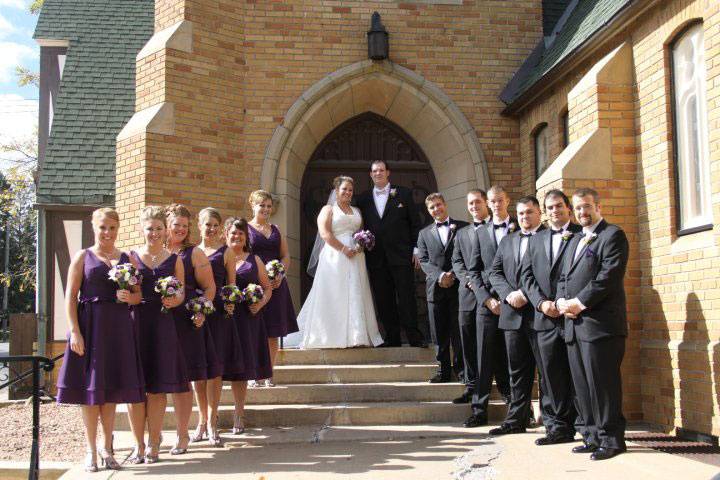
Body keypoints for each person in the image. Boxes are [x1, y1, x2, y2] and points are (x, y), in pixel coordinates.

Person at [56, 208, 145, 472]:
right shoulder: (83, 257)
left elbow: (138, 295)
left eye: (112, 228)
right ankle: (91, 450)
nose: (108, 233)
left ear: (118, 229)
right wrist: (74, 331)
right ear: (94, 227)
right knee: (91, 392)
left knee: (112, 390)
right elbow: (70, 297)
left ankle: (108, 448)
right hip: (90, 326)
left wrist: (131, 298)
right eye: (103, 227)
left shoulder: (127, 258)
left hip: (118, 329)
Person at [556, 188, 629, 461]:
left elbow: (608, 277)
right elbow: (564, 276)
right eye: (578, 208)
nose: (582, 212)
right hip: (575, 325)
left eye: (587, 206)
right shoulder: (575, 238)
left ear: (598, 206)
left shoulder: (613, 236)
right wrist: (562, 302)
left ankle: (612, 440)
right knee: (582, 385)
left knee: (603, 385)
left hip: (601, 326)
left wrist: (579, 302)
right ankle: (591, 435)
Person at [520, 190, 581, 445]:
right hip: (544, 318)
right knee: (550, 375)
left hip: (575, 317)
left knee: (578, 373)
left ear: (568, 208)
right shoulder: (536, 239)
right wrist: (542, 303)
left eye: (559, 206)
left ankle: (586, 427)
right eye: (550, 207)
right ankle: (557, 428)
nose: (555, 211)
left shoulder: (582, 235)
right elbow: (526, 276)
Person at [129, 206, 189, 463]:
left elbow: (182, 292)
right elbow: (127, 290)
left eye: (158, 228)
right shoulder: (131, 258)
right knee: (135, 388)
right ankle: (138, 444)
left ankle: (154, 441)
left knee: (157, 388)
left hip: (163, 325)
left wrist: (174, 301)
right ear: (142, 230)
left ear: (165, 230)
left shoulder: (174, 259)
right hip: (136, 324)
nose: (154, 233)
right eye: (149, 228)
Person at [298, 176, 384, 348]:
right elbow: (325, 233)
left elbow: (361, 232)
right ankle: (331, 335)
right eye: (344, 189)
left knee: (355, 290)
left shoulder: (356, 211)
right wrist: (344, 249)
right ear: (336, 191)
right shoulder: (328, 209)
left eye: (350, 190)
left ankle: (357, 336)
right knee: (336, 291)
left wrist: (361, 245)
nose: (347, 192)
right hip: (335, 256)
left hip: (356, 256)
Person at [165, 204, 222, 455]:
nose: (180, 229)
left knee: (193, 376)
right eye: (176, 224)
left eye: (185, 226)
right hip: (159, 321)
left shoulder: (194, 254)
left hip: (188, 319)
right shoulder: (155, 250)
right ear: (167, 224)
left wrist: (201, 311)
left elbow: (210, 288)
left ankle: (196, 427)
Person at [488, 196, 544, 435]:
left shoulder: (548, 238)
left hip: (540, 315)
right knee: (517, 372)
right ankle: (516, 421)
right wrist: (509, 294)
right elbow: (495, 272)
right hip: (512, 315)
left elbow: (551, 275)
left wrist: (526, 294)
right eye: (521, 213)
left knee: (546, 371)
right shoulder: (508, 241)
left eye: (529, 212)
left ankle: (552, 423)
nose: (524, 217)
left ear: (539, 213)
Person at [355, 160, 426, 347]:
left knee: (407, 297)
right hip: (376, 257)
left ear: (388, 173)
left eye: (381, 170)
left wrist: (417, 249)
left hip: (402, 256)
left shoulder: (404, 193)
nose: (378, 173)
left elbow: (415, 223)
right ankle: (392, 337)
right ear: (370, 175)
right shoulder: (362, 199)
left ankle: (414, 337)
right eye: (374, 171)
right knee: (383, 299)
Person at [451, 189, 504, 425]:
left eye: (478, 202)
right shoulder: (461, 233)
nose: (474, 206)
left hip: (499, 297)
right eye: (470, 203)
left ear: (487, 204)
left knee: (499, 351)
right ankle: (472, 389)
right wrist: (471, 283)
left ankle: (508, 397)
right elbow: (458, 262)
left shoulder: (504, 229)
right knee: (471, 347)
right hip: (469, 296)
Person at [465, 185, 513, 426]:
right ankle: (479, 410)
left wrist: (510, 298)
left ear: (507, 201)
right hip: (487, 302)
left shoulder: (519, 228)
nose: (496, 205)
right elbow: (473, 271)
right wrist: (487, 299)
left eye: (499, 200)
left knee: (513, 357)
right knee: (483, 357)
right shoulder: (481, 232)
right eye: (492, 201)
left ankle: (516, 409)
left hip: (514, 303)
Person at [197, 207, 245, 446]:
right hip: (196, 315)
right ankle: (201, 420)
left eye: (216, 225)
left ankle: (214, 421)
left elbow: (232, 285)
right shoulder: (193, 252)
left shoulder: (226, 253)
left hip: (218, 315)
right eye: (208, 225)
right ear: (200, 226)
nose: (212, 229)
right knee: (198, 372)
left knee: (214, 371)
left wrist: (230, 303)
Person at [226, 217, 274, 433]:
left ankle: (239, 413)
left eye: (241, 233)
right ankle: (209, 418)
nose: (237, 237)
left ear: (246, 237)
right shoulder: (219, 259)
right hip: (224, 318)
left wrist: (260, 303)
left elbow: (267, 287)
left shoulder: (255, 260)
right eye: (233, 233)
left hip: (247, 319)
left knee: (241, 369)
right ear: (225, 235)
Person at [247, 190, 299, 385]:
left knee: (272, 333)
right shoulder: (244, 229)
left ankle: (268, 373)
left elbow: (285, 256)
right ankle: (254, 374)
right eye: (262, 205)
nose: (266, 209)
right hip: (255, 285)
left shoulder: (276, 229)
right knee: (253, 330)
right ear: (252, 205)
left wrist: (280, 273)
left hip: (276, 286)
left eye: (269, 206)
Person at [417, 193, 467, 382]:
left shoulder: (463, 227)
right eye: (432, 207)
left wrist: (452, 274)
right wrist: (439, 275)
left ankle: (462, 371)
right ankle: (443, 371)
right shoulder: (423, 233)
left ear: (445, 205)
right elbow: (423, 260)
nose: (436, 209)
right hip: (435, 290)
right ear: (428, 211)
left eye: (438, 205)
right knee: (439, 334)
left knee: (459, 331)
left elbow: (467, 255)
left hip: (458, 288)